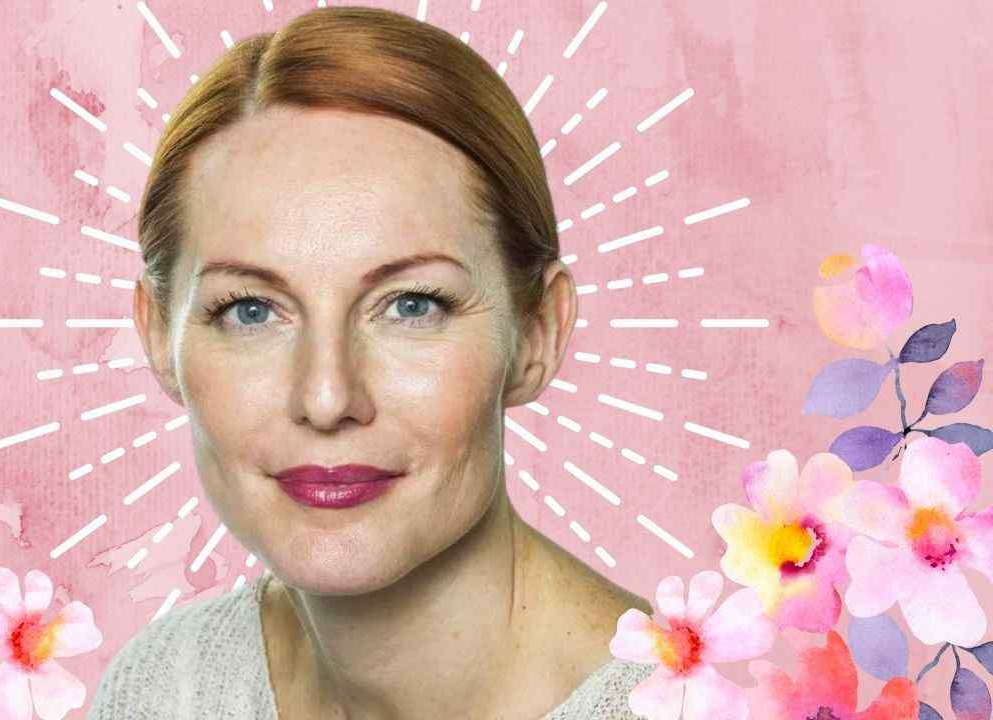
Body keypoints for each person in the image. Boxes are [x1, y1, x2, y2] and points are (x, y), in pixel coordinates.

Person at [88, 5, 656, 719]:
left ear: (537, 332)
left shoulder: (683, 706)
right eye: (251, 310)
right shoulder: (168, 686)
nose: (328, 397)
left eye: (412, 305)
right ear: (156, 336)